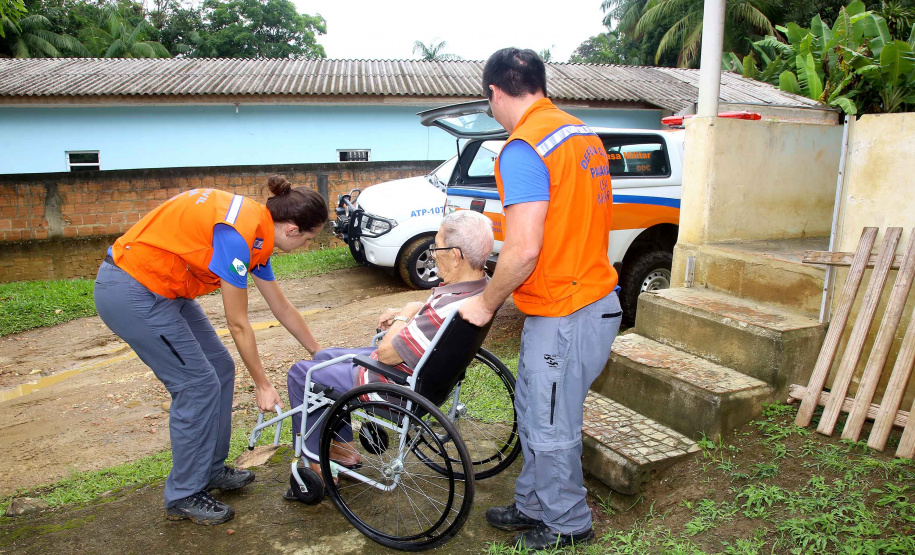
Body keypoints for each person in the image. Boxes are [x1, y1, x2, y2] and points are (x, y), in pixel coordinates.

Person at [459, 48, 623, 550]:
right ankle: (533, 503)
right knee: (536, 407)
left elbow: (525, 248)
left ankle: (568, 522)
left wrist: (485, 302)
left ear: (494, 92)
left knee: (551, 420)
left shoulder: (524, 145)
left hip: (566, 310)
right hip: (583, 299)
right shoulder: (579, 134)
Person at [94, 176, 326, 525]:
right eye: (309, 238)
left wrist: (317, 352)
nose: (307, 244)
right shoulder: (238, 236)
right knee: (196, 384)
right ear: (292, 229)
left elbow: (281, 306)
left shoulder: (257, 231)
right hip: (133, 291)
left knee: (219, 368)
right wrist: (263, 383)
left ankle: (211, 470)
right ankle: (185, 494)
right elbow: (237, 323)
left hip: (166, 289)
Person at [284, 210, 494, 492]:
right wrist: (407, 312)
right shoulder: (479, 289)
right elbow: (431, 318)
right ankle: (343, 447)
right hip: (425, 378)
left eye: (437, 247)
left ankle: (316, 462)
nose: (433, 254)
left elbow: (385, 354)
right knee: (323, 357)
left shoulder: (447, 309)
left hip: (393, 386)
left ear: (456, 256)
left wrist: (404, 314)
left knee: (302, 373)